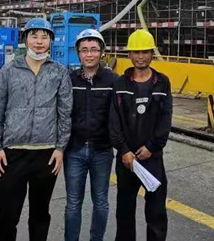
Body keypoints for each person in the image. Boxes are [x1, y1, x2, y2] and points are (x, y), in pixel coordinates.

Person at [0, 18, 73, 241]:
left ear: (51, 41)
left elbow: (65, 112)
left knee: (40, 214)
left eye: (44, 37)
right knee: (7, 215)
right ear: (25, 40)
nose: (39, 41)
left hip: (46, 154)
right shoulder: (9, 70)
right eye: (34, 36)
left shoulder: (59, 72)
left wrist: (60, 148)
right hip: (12, 154)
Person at [109, 29, 173, 241]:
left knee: (156, 213)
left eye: (145, 52)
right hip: (127, 160)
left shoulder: (162, 82)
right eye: (136, 52)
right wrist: (124, 150)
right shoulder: (120, 84)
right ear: (129, 55)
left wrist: (152, 147)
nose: (141, 56)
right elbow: (114, 121)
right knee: (125, 212)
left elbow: (165, 119)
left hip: (152, 158)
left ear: (152, 53)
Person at [64, 29, 118, 241]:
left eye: (94, 49)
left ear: (102, 52)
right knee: (73, 203)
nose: (89, 54)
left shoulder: (113, 80)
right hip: (74, 150)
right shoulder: (69, 80)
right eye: (84, 50)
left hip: (102, 150)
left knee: (101, 202)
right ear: (78, 53)